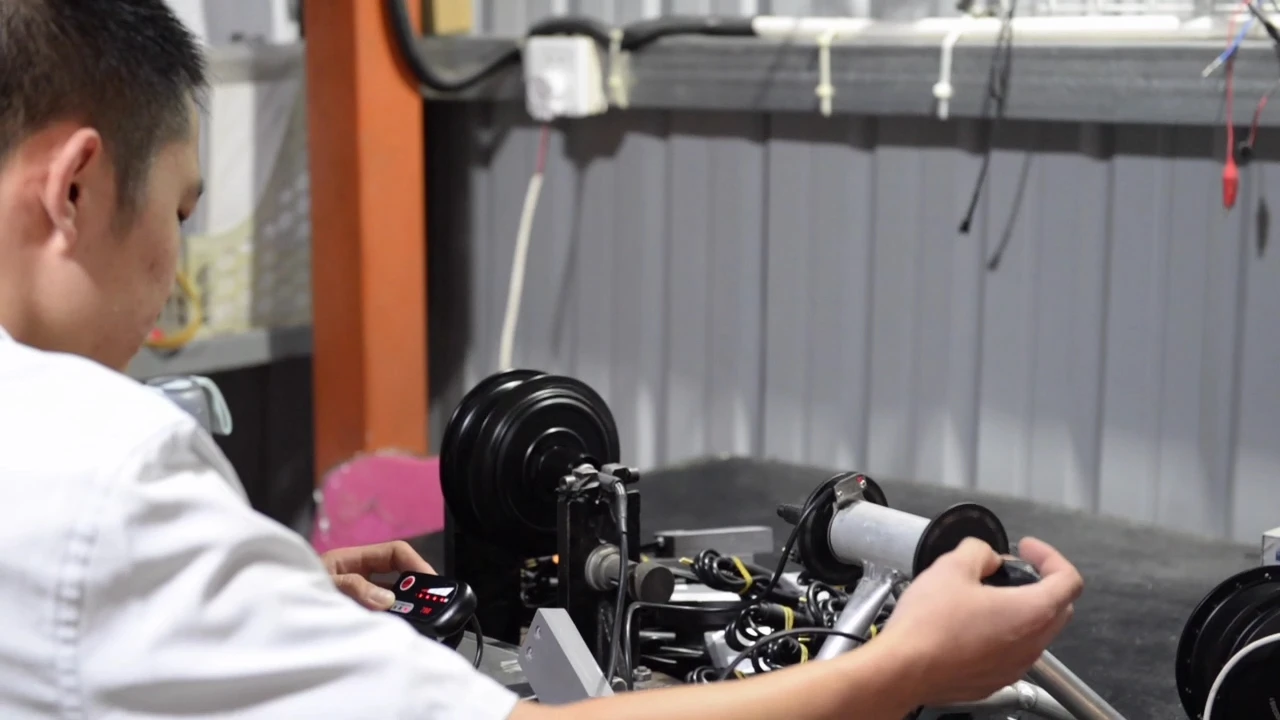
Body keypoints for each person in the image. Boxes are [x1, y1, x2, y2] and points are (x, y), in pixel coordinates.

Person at [0, 2, 1085, 719]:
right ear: (77, 187)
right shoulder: (106, 471)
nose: (174, 273)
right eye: (181, 211)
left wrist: (245, 600)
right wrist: (904, 666)